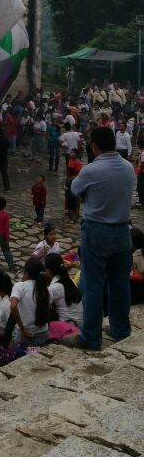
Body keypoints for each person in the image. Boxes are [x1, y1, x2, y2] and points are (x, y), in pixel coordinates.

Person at [64, 125, 135, 350]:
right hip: (123, 231)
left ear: (94, 147)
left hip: (97, 232)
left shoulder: (91, 170)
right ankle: (120, 329)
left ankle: (91, 338)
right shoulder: (128, 168)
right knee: (120, 283)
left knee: (93, 285)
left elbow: (75, 189)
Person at [9, 257, 50, 347]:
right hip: (43, 335)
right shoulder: (45, 289)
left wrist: (22, 329)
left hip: (25, 336)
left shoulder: (19, 286)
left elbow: (13, 306)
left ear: (26, 273)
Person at [44, 252, 83, 327]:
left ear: (48, 270)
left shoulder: (55, 288)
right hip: (80, 322)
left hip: (69, 327)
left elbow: (41, 305)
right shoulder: (69, 280)